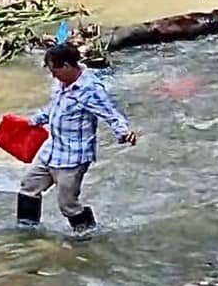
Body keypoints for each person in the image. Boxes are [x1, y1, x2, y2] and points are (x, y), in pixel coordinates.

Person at [17, 44, 138, 232]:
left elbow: (111, 114)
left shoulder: (90, 89)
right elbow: (53, 108)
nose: (53, 76)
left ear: (66, 66)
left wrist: (124, 133)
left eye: (54, 71)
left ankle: (88, 236)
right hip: (52, 150)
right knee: (29, 187)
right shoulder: (61, 83)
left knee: (67, 205)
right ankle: (26, 232)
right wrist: (33, 121)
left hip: (73, 158)